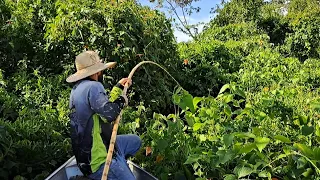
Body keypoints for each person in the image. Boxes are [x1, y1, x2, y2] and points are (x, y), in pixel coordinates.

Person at [66, 50, 142, 180]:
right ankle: (114, 168)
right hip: (97, 160)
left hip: (89, 155)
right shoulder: (94, 86)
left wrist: (118, 87)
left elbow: (103, 107)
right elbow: (110, 114)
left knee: (135, 141)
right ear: (97, 71)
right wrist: (122, 101)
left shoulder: (76, 89)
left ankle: (119, 163)